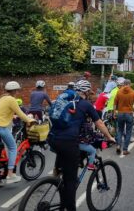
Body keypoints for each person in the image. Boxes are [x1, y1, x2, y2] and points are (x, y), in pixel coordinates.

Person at [49, 80, 115, 211]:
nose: (90, 94)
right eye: (89, 92)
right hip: (68, 142)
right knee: (71, 181)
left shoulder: (65, 100)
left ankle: (58, 174)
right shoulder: (86, 104)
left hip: (53, 139)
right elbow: (99, 124)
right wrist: (109, 137)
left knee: (65, 170)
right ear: (85, 92)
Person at [0, 81, 36, 184]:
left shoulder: (2, 98)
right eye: (17, 90)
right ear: (15, 90)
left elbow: (2, 112)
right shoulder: (11, 99)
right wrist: (30, 120)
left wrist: (13, 116)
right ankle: (10, 174)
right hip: (1, 127)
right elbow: (20, 113)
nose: (17, 92)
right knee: (13, 148)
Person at [114, 79, 134, 155]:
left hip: (120, 113)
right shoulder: (133, 92)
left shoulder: (119, 92)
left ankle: (118, 145)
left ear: (124, 84)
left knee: (120, 130)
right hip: (129, 113)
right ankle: (125, 149)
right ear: (130, 84)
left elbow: (115, 103)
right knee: (128, 132)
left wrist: (115, 112)